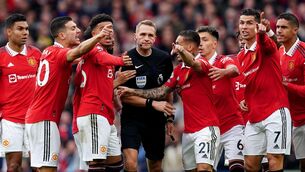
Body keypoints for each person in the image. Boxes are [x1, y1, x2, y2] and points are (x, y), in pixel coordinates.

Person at [119, 30, 220, 172]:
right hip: (188, 132)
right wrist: (133, 91)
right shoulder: (178, 71)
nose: (174, 49)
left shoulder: (202, 62)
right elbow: (160, 92)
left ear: (190, 47)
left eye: (178, 44)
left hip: (206, 129)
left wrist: (181, 50)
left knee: (204, 168)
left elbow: (192, 62)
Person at [25, 16, 111, 171]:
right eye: (73, 28)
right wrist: (98, 36)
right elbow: (77, 52)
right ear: (61, 35)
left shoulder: (50, 51)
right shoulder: (59, 54)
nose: (78, 31)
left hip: (38, 118)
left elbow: (78, 57)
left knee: (41, 167)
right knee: (47, 168)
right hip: (44, 119)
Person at [73, 13, 133, 171]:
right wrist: (121, 60)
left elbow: (101, 85)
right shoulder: (92, 48)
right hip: (93, 112)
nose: (108, 32)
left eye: (110, 29)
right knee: (97, 163)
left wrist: (118, 105)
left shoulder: (106, 58)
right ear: (94, 33)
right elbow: (101, 58)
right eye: (102, 29)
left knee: (115, 162)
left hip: (105, 114)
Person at [238, 9, 291, 171]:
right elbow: (248, 81)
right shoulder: (241, 56)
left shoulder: (265, 46)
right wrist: (243, 98)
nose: (244, 27)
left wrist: (263, 32)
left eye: (249, 23)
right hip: (254, 117)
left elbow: (270, 44)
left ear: (257, 25)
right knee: (250, 164)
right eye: (242, 23)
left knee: (274, 159)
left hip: (275, 112)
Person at [119, 20, 174, 172]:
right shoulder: (126, 60)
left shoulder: (164, 59)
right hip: (132, 118)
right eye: (142, 34)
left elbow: (169, 90)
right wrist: (152, 103)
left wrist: (170, 119)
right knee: (130, 165)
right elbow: (124, 96)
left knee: (156, 167)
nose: (146, 38)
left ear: (155, 38)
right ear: (135, 36)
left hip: (155, 120)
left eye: (150, 35)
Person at [196, 26, 245, 171]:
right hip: (207, 128)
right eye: (198, 40)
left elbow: (234, 69)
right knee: (204, 169)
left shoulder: (223, 60)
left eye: (205, 40)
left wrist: (224, 72)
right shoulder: (193, 66)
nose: (200, 44)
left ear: (215, 43)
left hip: (232, 124)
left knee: (237, 167)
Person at [0, 13, 41, 172]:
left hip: (34, 119)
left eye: (27, 29)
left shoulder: (36, 54)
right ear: (9, 32)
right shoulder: (1, 56)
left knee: (39, 166)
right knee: (13, 166)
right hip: (11, 120)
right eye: (20, 29)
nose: (25, 32)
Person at [276, 12, 305, 171]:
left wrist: (286, 85)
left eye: (284, 27)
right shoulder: (279, 52)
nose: (279, 30)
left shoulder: (303, 52)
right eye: (278, 27)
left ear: (295, 30)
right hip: (292, 118)